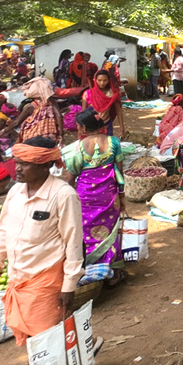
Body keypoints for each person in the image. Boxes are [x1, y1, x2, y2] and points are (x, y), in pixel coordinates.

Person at [0, 137, 91, 365]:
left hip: (47, 279)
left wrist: (69, 285)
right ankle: (85, 347)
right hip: (18, 277)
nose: (18, 168)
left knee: (38, 345)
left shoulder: (63, 195)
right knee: (40, 335)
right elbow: (1, 236)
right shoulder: (14, 193)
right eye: (17, 162)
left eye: (25, 163)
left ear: (45, 165)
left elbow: (74, 243)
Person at [62, 109, 127, 285]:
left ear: (83, 127)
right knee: (110, 230)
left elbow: (69, 178)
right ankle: (112, 268)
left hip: (85, 198)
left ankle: (91, 267)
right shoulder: (114, 142)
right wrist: (122, 198)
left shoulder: (75, 149)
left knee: (86, 231)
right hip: (109, 196)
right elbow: (120, 173)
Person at [11, 76, 63, 144]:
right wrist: (61, 134)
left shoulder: (31, 106)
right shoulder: (52, 102)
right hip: (50, 137)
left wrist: (4, 131)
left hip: (34, 139)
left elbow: (17, 122)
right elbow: (59, 116)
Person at [82, 69, 127, 137]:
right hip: (92, 127)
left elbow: (119, 111)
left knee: (107, 146)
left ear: (108, 80)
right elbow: (83, 114)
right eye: (99, 80)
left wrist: (122, 129)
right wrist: (82, 129)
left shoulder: (113, 94)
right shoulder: (88, 94)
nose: (102, 83)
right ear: (95, 80)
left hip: (107, 125)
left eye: (105, 80)